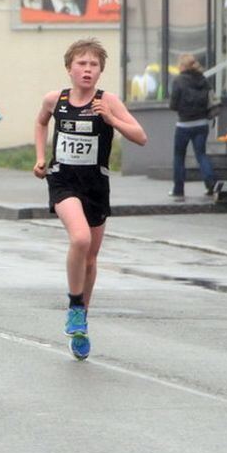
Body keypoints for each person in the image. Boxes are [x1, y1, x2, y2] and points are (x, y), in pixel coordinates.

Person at [33, 39, 147, 361]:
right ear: (69, 68)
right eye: (81, 64)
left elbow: (140, 136)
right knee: (80, 238)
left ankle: (81, 321)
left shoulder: (107, 101)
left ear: (100, 71)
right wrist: (41, 158)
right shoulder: (55, 99)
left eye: (93, 65)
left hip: (95, 184)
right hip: (63, 179)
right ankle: (73, 304)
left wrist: (112, 119)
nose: (87, 69)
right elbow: (41, 122)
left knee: (92, 259)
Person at [168, 53, 216, 199]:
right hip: (202, 123)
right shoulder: (203, 80)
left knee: (179, 157)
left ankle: (178, 189)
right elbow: (211, 100)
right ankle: (211, 186)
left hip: (184, 125)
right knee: (201, 155)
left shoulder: (178, 81)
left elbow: (173, 105)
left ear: (182, 66)